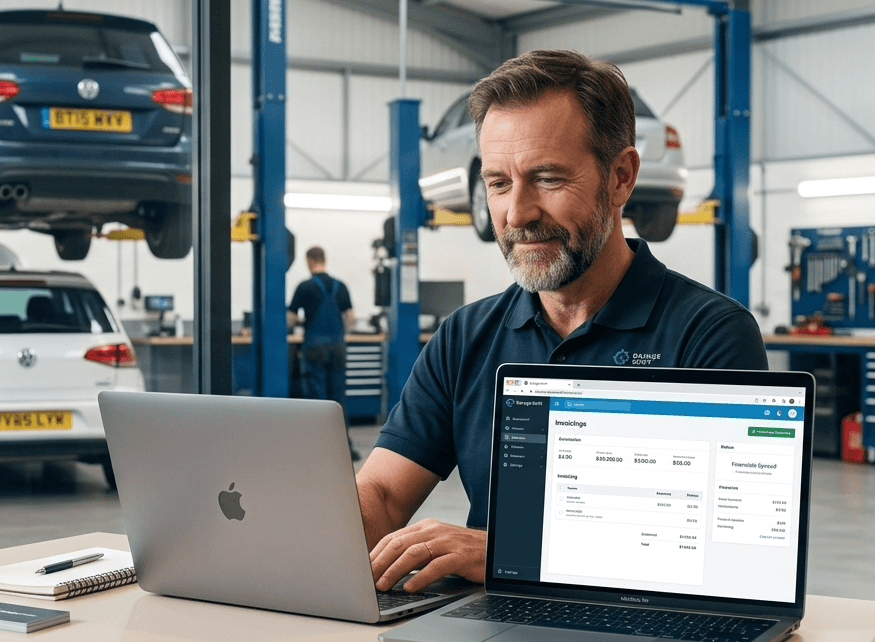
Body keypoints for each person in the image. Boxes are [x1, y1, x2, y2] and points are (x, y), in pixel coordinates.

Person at [357, 50, 768, 593]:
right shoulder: (465, 338)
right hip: (483, 631)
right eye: (499, 184)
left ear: (621, 178)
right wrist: (299, 525)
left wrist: (511, 552)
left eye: (547, 179)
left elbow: (732, 556)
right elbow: (384, 495)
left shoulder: (709, 336)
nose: (517, 214)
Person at [287, 246, 356, 453]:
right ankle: (343, 446)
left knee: (317, 398)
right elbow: (351, 317)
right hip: (337, 348)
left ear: (309, 261)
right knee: (338, 397)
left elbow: (290, 319)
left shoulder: (304, 287)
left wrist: (300, 321)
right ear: (324, 259)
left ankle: (318, 447)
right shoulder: (340, 285)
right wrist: (339, 332)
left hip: (315, 347)